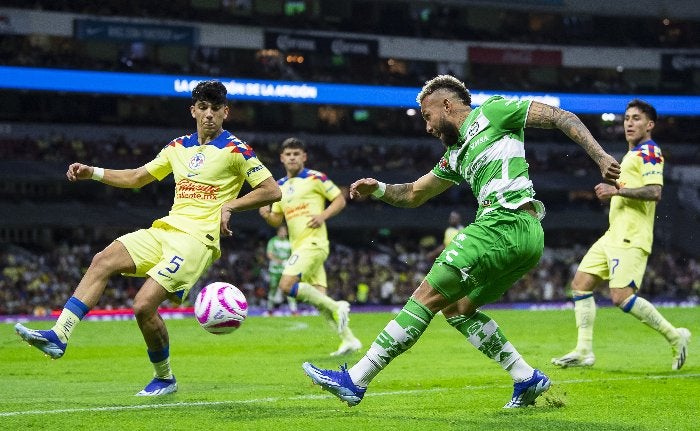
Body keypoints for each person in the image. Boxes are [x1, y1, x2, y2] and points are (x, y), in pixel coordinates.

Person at [302, 74, 620, 408]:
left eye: (427, 117)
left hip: (504, 222)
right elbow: (413, 193)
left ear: (447, 104)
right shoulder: (455, 155)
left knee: (426, 295)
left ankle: (356, 381)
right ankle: (526, 378)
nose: (427, 128)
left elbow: (560, 116)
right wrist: (379, 188)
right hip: (523, 236)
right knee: (457, 309)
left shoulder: (494, 111)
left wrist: (600, 157)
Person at [14, 80, 282, 396]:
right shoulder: (177, 147)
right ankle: (59, 335)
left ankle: (164, 378)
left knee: (143, 306)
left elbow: (272, 190)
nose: (209, 114)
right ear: (193, 110)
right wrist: (94, 172)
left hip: (197, 240)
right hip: (165, 230)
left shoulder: (237, 150)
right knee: (103, 260)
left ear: (226, 112)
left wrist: (230, 205)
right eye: (203, 107)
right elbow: (138, 177)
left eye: (215, 109)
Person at [551, 99, 691, 370]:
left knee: (621, 297)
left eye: (636, 118)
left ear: (649, 125)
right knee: (580, 284)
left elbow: (654, 192)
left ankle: (676, 337)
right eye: (627, 118)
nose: (629, 122)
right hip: (613, 235)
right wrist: (613, 189)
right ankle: (583, 351)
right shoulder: (631, 156)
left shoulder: (650, 152)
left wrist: (616, 191)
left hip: (632, 237)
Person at [259, 137, 362, 356]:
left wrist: (323, 215)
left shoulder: (316, 178)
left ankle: (338, 306)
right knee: (319, 300)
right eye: (288, 154)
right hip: (298, 248)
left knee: (286, 285)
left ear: (304, 157)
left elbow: (340, 199)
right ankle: (349, 340)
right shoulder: (279, 187)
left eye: (297, 153)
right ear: (282, 158)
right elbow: (277, 221)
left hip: (314, 242)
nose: (292, 157)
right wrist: (266, 214)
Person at [264, 224, 298, 316]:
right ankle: (270, 310)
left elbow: (293, 255)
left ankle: (294, 311)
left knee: (289, 289)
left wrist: (289, 262)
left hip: (286, 270)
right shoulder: (273, 241)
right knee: (273, 289)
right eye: (282, 231)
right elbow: (269, 254)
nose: (283, 233)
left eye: (285, 231)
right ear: (278, 232)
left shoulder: (289, 242)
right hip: (274, 270)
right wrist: (279, 261)